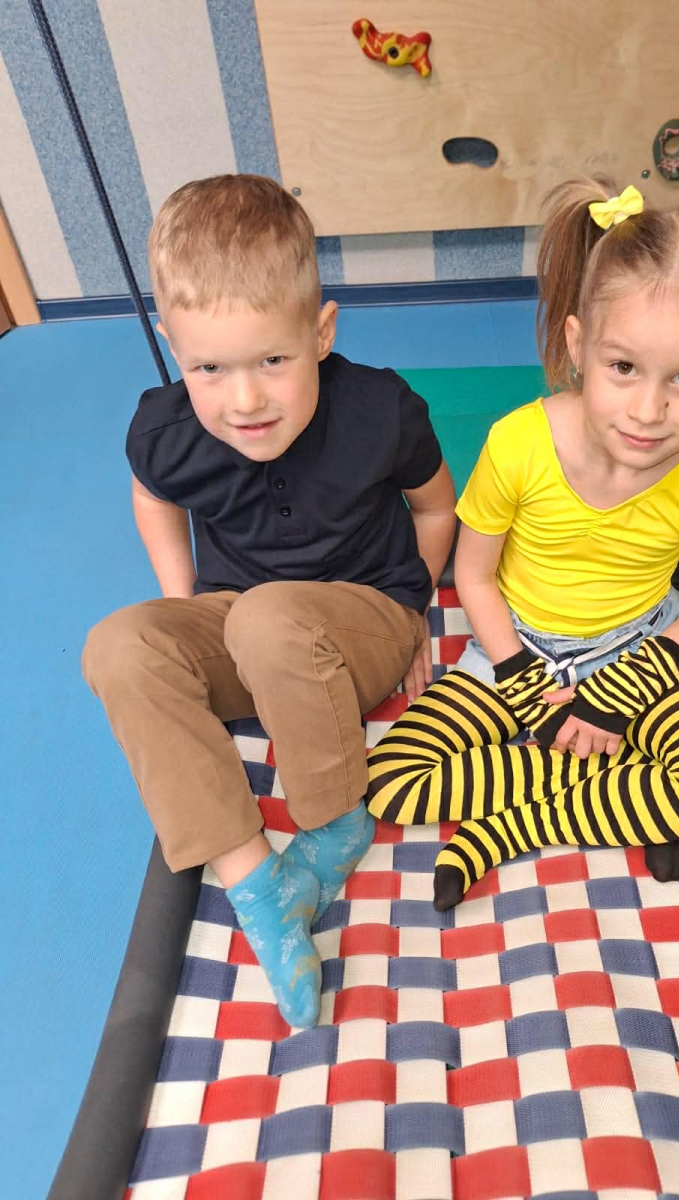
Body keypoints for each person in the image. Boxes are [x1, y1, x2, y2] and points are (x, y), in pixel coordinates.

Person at [367, 178, 679, 910]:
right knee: (391, 780)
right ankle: (627, 793)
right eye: (624, 368)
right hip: (516, 648)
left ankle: (510, 829)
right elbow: (473, 579)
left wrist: (623, 690)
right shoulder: (517, 443)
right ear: (578, 345)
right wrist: (522, 683)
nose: (649, 410)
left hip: (641, 654)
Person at [83, 175, 457, 1028]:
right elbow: (151, 494)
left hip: (360, 618)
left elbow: (437, 508)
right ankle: (257, 881)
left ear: (321, 333)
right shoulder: (166, 430)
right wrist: (181, 600)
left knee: (267, 615)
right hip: (242, 628)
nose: (244, 401)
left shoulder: (381, 411)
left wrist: (415, 612)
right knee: (117, 645)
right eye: (209, 369)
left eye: (273, 362)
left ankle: (335, 821)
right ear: (173, 349)